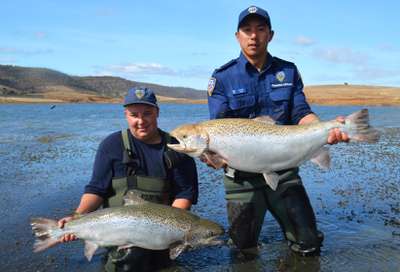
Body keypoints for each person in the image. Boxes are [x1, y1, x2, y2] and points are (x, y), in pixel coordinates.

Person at [206, 6, 348, 256]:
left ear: (270, 35)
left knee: (309, 243)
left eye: (260, 30)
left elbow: (302, 113)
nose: (253, 36)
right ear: (237, 35)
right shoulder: (222, 78)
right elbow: (218, 128)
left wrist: (326, 130)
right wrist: (210, 155)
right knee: (242, 251)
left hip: (284, 172)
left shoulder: (289, 71)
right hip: (241, 179)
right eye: (247, 30)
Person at [58, 87, 199, 271]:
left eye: (147, 113)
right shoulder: (111, 145)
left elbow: (185, 192)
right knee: (129, 260)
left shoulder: (176, 148)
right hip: (117, 229)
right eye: (134, 115)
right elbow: (96, 189)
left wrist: (170, 229)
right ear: (126, 115)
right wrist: (77, 216)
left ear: (157, 112)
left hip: (160, 232)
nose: (141, 121)